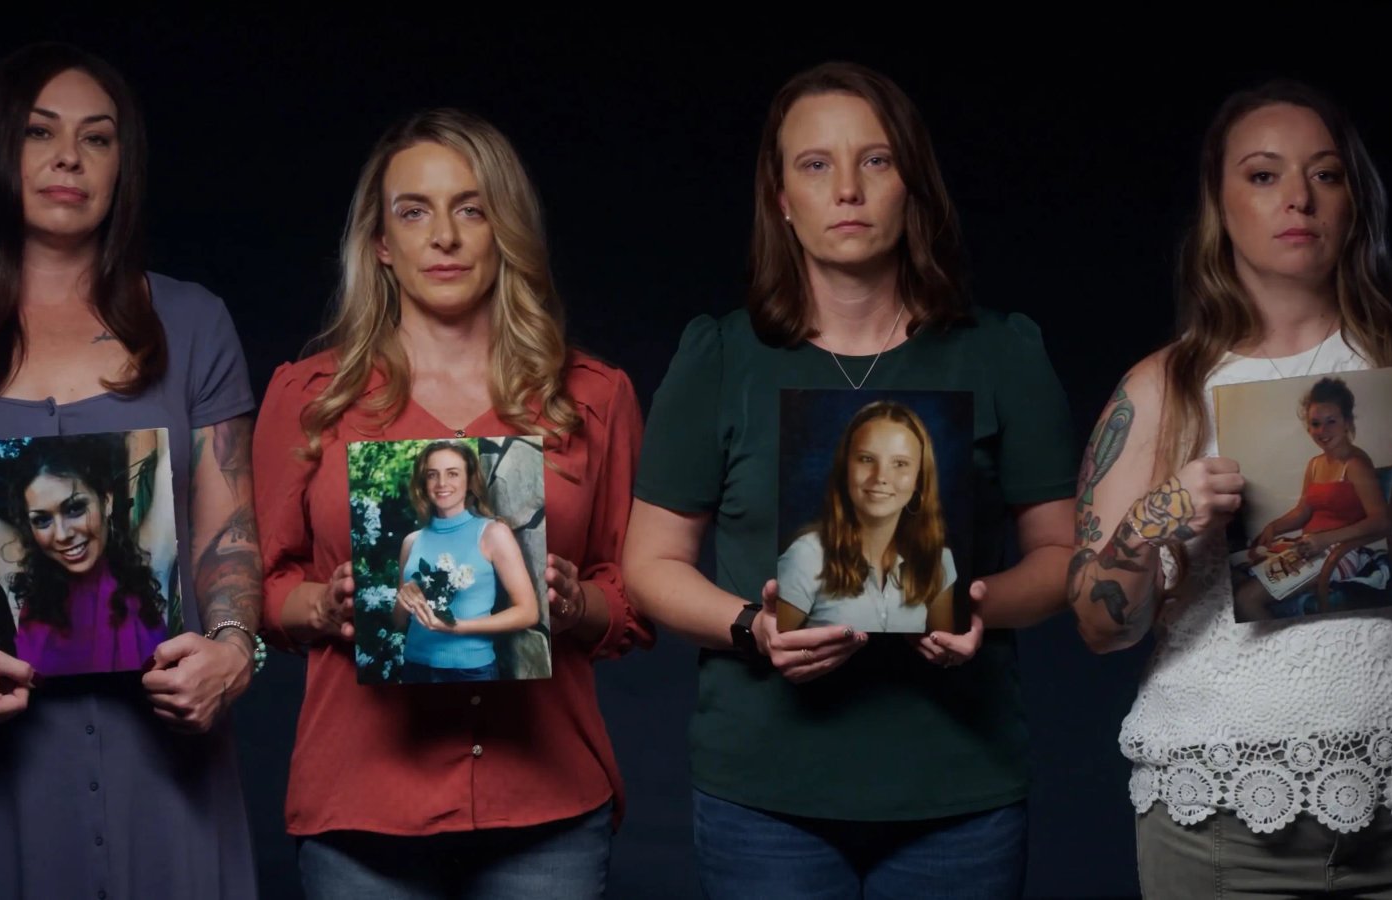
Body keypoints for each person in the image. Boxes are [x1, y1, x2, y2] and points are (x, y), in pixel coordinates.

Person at [623, 61, 1076, 898]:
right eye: (815, 164)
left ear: (913, 184)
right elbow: (649, 563)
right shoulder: (721, 357)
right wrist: (750, 629)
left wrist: (980, 606)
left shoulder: (1003, 351)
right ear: (781, 197)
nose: (848, 191)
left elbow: (1061, 555)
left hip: (958, 788)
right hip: (764, 796)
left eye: (875, 161)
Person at [1069, 79, 1392, 896]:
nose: (1298, 196)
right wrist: (1159, 518)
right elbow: (1097, 628)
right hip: (1218, 826)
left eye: (1325, 174)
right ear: (1219, 205)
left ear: (1354, 201)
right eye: (1263, 175)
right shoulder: (1160, 388)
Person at [0, 43, 262, 898]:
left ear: (121, 166)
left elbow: (229, 532)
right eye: (39, 133)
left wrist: (235, 653)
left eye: (98, 139)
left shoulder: (193, 322)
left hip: (164, 756)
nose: (69, 158)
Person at [253, 108, 650, 898]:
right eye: (414, 211)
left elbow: (630, 597)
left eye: (470, 208)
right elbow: (261, 591)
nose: (444, 236)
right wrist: (324, 607)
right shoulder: (308, 397)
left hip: (546, 806)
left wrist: (573, 606)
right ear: (380, 244)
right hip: (362, 806)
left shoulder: (593, 397)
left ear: (503, 231)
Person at [0, 432, 172, 675]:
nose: (62, 534)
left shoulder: (149, 562)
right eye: (42, 520)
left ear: (106, 500)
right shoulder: (21, 580)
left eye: (75, 508)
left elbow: (177, 443)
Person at [775, 400, 956, 633]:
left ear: (919, 479)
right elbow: (773, 649)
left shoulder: (938, 561)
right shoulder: (806, 557)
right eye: (866, 459)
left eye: (900, 464)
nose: (881, 476)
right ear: (845, 468)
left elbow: (944, 659)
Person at [1232, 376, 1392, 620]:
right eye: (1316, 423)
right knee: (1233, 569)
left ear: (1347, 422)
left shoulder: (1356, 463)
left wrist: (1325, 539)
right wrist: (1274, 526)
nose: (1322, 431)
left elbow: (1381, 521)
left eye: (1331, 421)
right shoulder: (1315, 464)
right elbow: (1303, 511)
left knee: (1246, 600)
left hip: (1340, 552)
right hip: (1308, 547)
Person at [390, 439, 539, 683]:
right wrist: (403, 598)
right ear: (423, 483)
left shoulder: (493, 533)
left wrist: (457, 627)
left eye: (452, 474)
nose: (441, 484)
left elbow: (528, 612)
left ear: (469, 481)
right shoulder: (411, 541)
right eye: (432, 475)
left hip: (471, 671)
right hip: (414, 666)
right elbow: (398, 622)